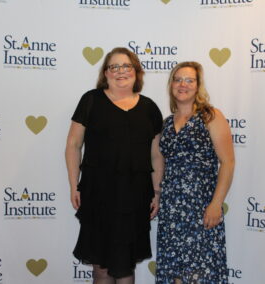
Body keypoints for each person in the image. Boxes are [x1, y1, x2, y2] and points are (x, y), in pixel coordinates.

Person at [65, 47, 164, 284]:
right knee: (101, 265)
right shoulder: (91, 100)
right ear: (106, 73)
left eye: (126, 66)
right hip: (98, 193)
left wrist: (157, 193)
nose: (121, 71)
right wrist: (73, 185)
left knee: (125, 265)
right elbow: (73, 145)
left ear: (136, 72)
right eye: (114, 67)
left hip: (135, 196)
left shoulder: (150, 108)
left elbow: (156, 156)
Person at [155, 61, 235, 284]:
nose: (183, 84)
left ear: (198, 85)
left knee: (201, 273)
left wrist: (216, 204)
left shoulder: (211, 116)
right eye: (178, 79)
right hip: (171, 209)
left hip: (201, 207)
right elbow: (160, 164)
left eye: (189, 80)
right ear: (171, 85)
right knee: (174, 274)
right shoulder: (167, 123)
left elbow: (227, 162)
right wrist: (157, 195)